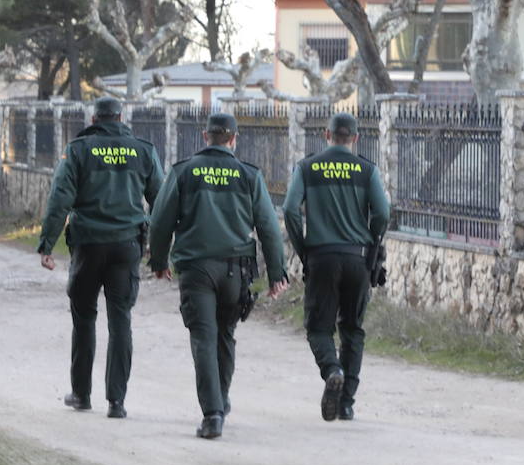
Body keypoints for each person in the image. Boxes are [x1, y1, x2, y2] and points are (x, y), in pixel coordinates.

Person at [148, 112, 289, 439]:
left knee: (203, 338)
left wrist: (158, 261)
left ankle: (212, 414)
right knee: (225, 335)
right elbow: (268, 227)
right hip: (235, 271)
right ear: (234, 139)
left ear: (204, 135)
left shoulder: (184, 172)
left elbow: (160, 221)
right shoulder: (248, 175)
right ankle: (220, 400)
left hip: (196, 270)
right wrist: (277, 274)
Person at [37, 97, 163, 418]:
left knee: (84, 318)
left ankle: (81, 394)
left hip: (88, 245)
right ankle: (116, 402)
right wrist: (161, 254)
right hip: (127, 245)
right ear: (121, 117)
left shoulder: (79, 150)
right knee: (121, 321)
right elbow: (161, 203)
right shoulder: (143, 150)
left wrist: (47, 244)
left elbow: (60, 198)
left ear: (94, 118)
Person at [284, 112, 391, 422]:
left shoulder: (307, 167)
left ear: (326, 135)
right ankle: (346, 403)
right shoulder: (367, 170)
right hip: (358, 259)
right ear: (355, 138)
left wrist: (303, 249)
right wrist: (371, 242)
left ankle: (332, 370)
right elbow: (382, 213)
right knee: (353, 329)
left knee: (318, 327)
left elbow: (290, 210)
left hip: (321, 256)